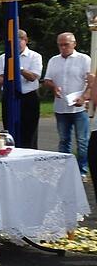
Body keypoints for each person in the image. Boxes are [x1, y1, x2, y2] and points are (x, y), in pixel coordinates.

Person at [43, 32, 91, 177]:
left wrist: (84, 97)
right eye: (60, 45)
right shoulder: (54, 60)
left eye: (66, 44)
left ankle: (82, 171)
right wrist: (54, 87)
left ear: (74, 44)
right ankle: (64, 170)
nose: (63, 48)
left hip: (80, 107)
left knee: (82, 141)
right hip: (61, 106)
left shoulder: (84, 59)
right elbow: (47, 79)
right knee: (64, 140)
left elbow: (91, 82)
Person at [0, 29, 43, 149]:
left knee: (29, 130)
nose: (15, 45)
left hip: (28, 96)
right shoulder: (4, 57)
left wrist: (18, 68)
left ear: (25, 41)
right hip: (10, 96)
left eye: (18, 41)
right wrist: (8, 79)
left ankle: (29, 154)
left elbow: (33, 77)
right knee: (10, 128)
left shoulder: (35, 56)